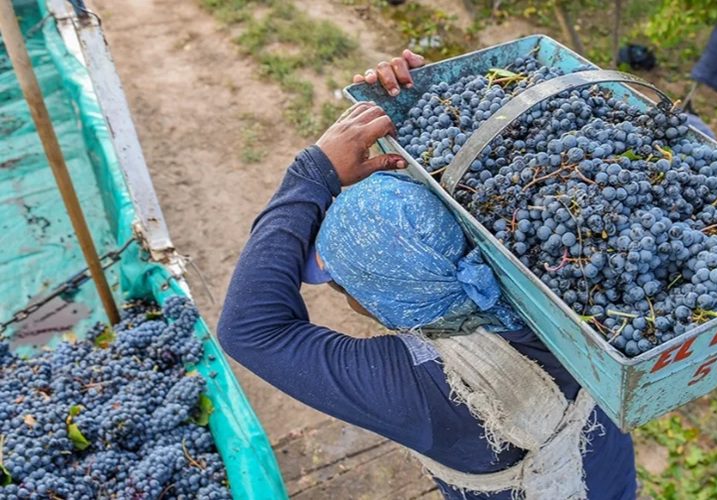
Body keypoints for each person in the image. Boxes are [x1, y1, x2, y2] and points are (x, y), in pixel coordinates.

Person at [217, 51, 637, 499]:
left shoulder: (421, 390)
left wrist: (312, 171)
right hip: (611, 477)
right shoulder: (547, 279)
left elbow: (248, 330)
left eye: (343, 285)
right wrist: (438, 97)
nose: (340, 293)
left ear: (389, 298)